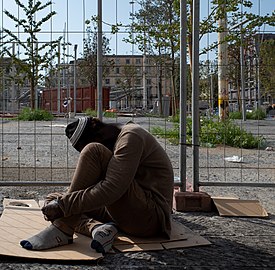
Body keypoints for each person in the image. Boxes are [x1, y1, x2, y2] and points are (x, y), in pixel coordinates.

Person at [20, 117, 174, 254]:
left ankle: (63, 228)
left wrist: (62, 206)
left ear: (99, 132)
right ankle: (98, 229)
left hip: (149, 218)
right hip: (123, 213)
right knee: (53, 197)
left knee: (93, 152)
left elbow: (112, 189)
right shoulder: (115, 140)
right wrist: (62, 202)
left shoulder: (131, 136)